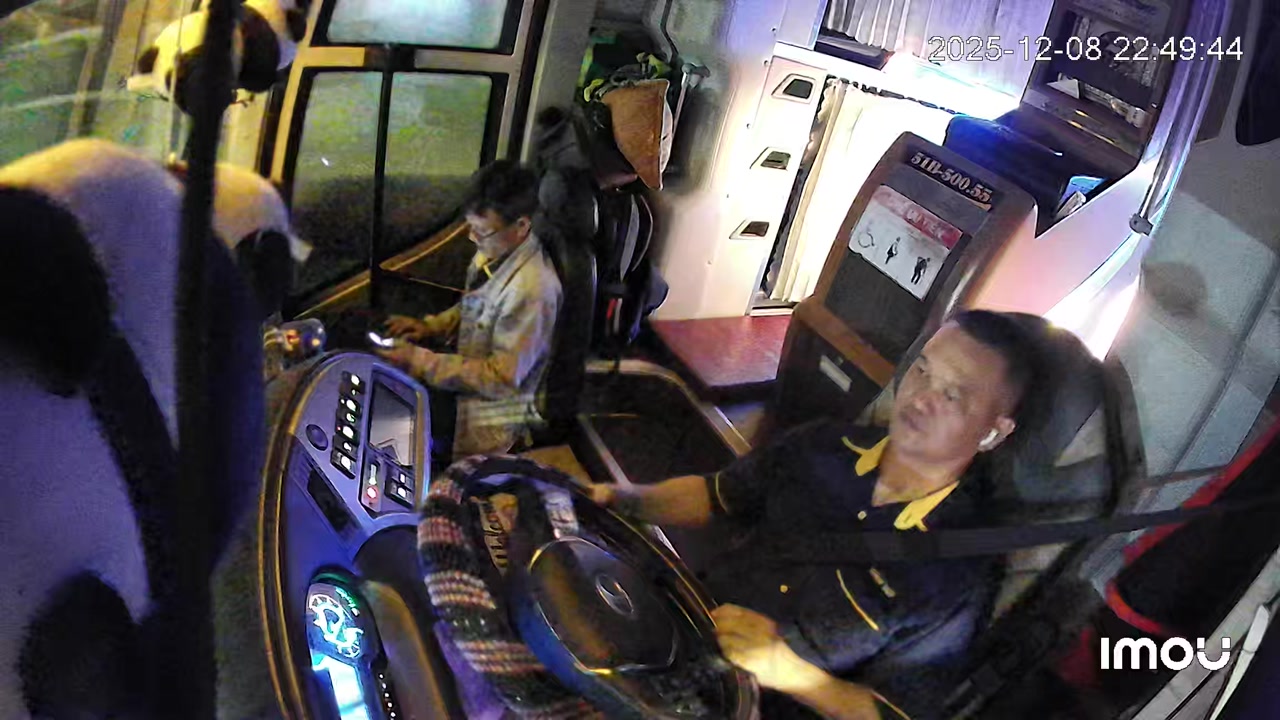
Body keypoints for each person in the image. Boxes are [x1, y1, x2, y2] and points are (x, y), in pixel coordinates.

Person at [590, 310, 1045, 719]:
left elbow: (895, 712)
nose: (920, 397)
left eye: (951, 394)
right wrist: (624, 499)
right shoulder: (820, 445)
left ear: (993, 433)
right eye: (922, 369)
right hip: (683, 630)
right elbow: (716, 495)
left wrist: (793, 674)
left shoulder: (957, 575)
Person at [378, 161, 562, 462]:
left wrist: (418, 360)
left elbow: (500, 380)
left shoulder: (533, 291)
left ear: (521, 226)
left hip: (484, 416)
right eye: (471, 227)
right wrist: (432, 327)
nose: (472, 238)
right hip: (465, 378)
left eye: (482, 232)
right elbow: (475, 304)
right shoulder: (497, 250)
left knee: (388, 414)